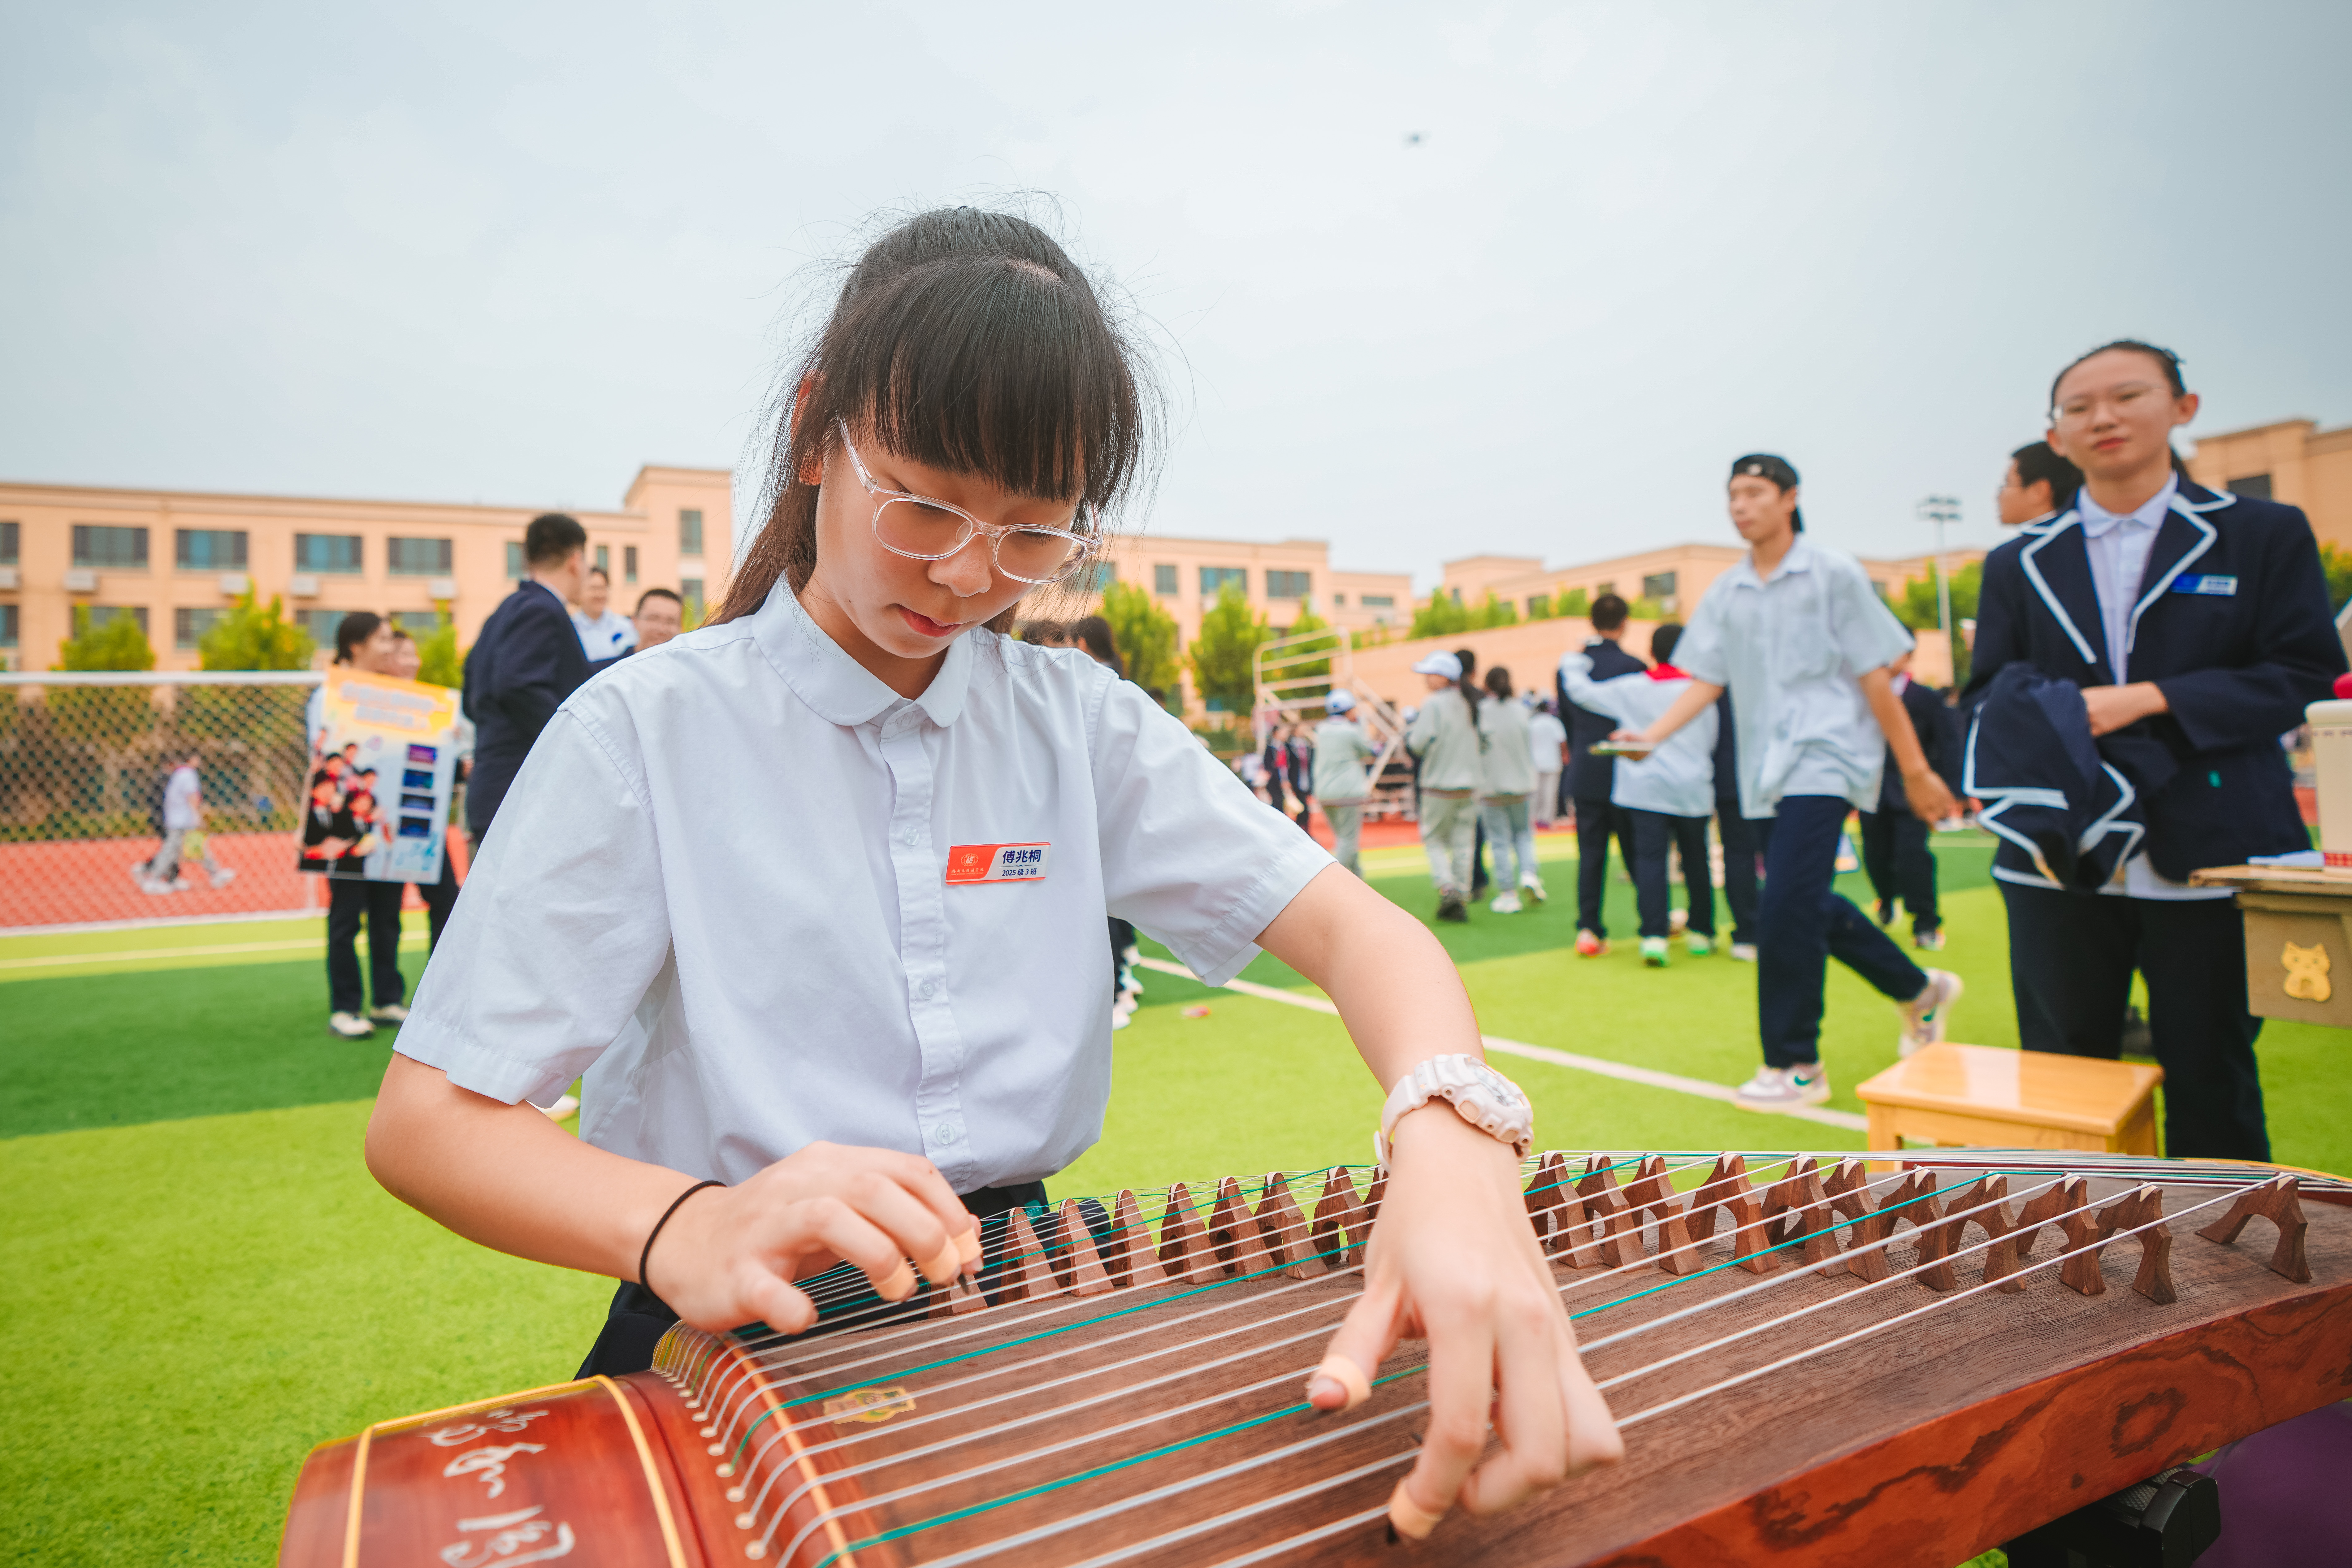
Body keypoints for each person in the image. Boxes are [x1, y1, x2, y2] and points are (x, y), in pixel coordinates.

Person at [362, 208, 1617, 1531]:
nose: (968, 574)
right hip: (742, 1315)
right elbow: (430, 1122)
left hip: (1031, 1300)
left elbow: (1372, 939)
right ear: (813, 431)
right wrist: (691, 1224)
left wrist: (1451, 1139)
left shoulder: (1074, 721)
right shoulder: (645, 727)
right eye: (922, 505)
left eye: (1031, 534)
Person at [1965, 340, 2345, 1160]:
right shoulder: (2013, 561)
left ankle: (2230, 1264)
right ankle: (2071, 1261)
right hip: (2056, 857)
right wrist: (2055, 714)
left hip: (2212, 844)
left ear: (2181, 409)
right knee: (2065, 1077)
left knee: (2210, 1072)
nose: (2101, 417)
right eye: (2076, 407)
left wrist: (2150, 698)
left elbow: (2304, 674)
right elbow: (1984, 693)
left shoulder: (2259, 533)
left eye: (2126, 395)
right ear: (2055, 435)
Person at [1620, 454, 1963, 1111]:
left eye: (1754, 493)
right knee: (1802, 900)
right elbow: (1708, 679)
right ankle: (1919, 989)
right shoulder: (1727, 591)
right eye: (1733, 495)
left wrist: (1915, 768)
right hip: (1765, 771)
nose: (1740, 505)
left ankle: (1794, 1064)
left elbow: (1874, 675)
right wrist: (1653, 734)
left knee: (1781, 906)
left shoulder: (1833, 574)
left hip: (1828, 759)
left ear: (1789, 498)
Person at [1562, 623, 1717, 966]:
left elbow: (1581, 692)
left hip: (1643, 789)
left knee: (1650, 861)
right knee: (1696, 859)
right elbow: (1714, 739)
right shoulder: (1703, 691)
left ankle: (1654, 936)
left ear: (1652, 652)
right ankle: (1702, 933)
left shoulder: (1632, 687)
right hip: (1693, 787)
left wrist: (1574, 658)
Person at [309, 612, 411, 1040]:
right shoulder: (329, 695)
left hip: (386, 822)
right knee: (347, 918)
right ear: (356, 646)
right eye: (383, 640)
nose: (390, 649)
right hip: (349, 828)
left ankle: (386, 999)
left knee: (388, 915)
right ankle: (345, 1007)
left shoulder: (394, 695)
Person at [463, 513, 591, 843]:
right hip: (520, 792)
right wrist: (574, 735)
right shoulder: (543, 609)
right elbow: (517, 683)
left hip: (492, 788)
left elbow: (471, 698)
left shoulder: (504, 611)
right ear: (576, 560)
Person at [1857, 648, 1963, 951]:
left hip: (1912, 795)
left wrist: (1952, 789)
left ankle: (1926, 922)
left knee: (1912, 856)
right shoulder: (1862, 694)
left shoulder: (1926, 698)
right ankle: (1887, 899)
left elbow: (1948, 743)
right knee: (1876, 855)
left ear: (1908, 655)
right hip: (1872, 792)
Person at [1558, 593, 1645, 957]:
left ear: (1592, 622)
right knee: (1640, 854)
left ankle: (1589, 929)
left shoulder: (1572, 668)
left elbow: (1565, 717)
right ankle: (1653, 923)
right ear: (1625, 622)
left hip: (1587, 768)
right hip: (1627, 770)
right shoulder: (1636, 666)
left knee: (1591, 855)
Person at [387, 626, 464, 953]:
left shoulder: (431, 707)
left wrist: (456, 759)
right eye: (404, 654)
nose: (413, 661)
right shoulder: (371, 703)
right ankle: (383, 997)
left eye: (413, 654)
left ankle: (438, 986)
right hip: (383, 820)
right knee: (385, 910)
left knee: (447, 898)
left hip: (421, 818)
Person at [1406, 650, 1483, 922]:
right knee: (1464, 843)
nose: (1426, 679)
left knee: (1435, 839)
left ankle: (1447, 887)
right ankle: (1460, 895)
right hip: (1469, 785)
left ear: (1444, 677)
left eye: (1430, 674)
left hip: (1438, 784)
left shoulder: (1433, 704)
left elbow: (1416, 744)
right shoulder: (1471, 702)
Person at [1476, 667, 1543, 912]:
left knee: (1499, 842)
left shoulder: (1481, 712)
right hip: (1522, 784)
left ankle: (1508, 893)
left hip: (1491, 786)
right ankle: (1529, 874)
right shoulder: (1522, 710)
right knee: (1524, 834)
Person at [136, 749, 236, 893]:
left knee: (195, 847)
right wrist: (197, 816)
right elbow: (192, 796)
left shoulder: (178, 773)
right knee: (173, 850)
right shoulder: (188, 774)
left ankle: (215, 873)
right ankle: (152, 879)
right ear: (193, 759)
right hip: (183, 820)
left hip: (177, 818)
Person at [1712, 690, 1760, 961]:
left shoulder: (1719, 683)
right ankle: (1752, 932)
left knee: (1738, 854)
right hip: (1773, 780)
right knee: (1778, 853)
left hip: (1731, 779)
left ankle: (1747, 934)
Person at [1314, 689, 1377, 875]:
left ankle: (1358, 876)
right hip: (1348, 792)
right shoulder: (1351, 731)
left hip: (1325, 792)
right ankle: (1337, 880)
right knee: (1348, 840)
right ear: (1349, 711)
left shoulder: (1321, 730)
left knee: (1343, 838)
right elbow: (1369, 750)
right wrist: (1362, 726)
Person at [1996, 440, 2084, 528]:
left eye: (2008, 483)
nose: (1999, 495)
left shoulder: (2042, 541)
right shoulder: (2082, 533)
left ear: (2038, 491)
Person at [571, 565, 639, 662]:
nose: (599, 594)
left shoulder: (626, 626)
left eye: (603, 588)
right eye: (593, 589)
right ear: (580, 592)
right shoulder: (572, 627)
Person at [1528, 699, 1567, 828]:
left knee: (1535, 793)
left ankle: (1532, 818)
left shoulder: (1532, 723)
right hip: (1552, 762)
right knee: (1549, 793)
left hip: (1534, 763)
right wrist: (1565, 756)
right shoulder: (1554, 723)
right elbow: (1562, 742)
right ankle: (1546, 820)